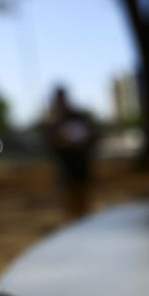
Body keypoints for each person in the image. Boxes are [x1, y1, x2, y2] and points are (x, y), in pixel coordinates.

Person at [42, 86, 98, 221]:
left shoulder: (77, 116)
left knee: (83, 200)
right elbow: (49, 144)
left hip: (81, 164)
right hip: (65, 167)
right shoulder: (53, 120)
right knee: (69, 203)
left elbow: (92, 136)